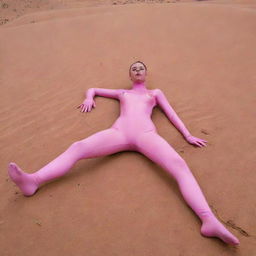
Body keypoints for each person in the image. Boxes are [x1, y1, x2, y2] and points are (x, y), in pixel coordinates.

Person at [8, 61, 240, 245]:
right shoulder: (122, 93)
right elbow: (94, 88)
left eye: (141, 68)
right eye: (134, 69)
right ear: (130, 76)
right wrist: (89, 97)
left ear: (146, 74)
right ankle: (33, 181)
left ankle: (208, 220)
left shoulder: (155, 93)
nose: (138, 70)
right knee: (78, 147)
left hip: (146, 136)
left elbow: (171, 114)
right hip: (118, 133)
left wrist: (187, 135)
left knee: (179, 166)